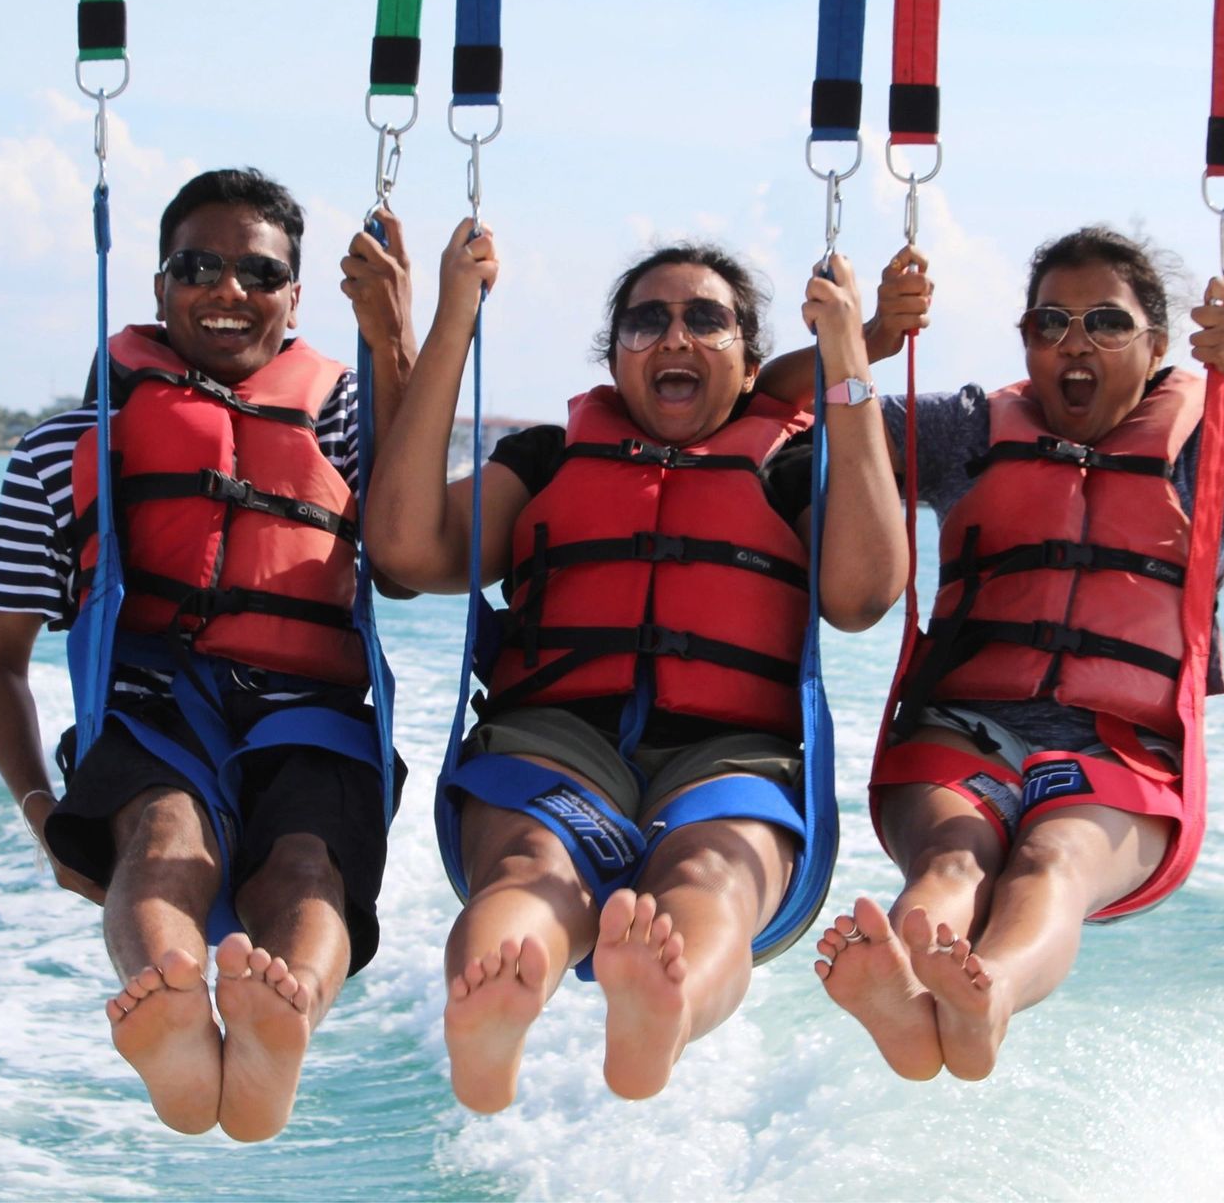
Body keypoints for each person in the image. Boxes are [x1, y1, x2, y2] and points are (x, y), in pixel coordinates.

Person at [795, 227, 1224, 1081]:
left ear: (1158, 345)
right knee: (955, 860)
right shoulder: (970, 432)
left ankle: (986, 992)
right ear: (1025, 340)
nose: (1075, 344)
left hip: (1122, 749)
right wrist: (863, 342)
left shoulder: (1207, 450)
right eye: (1049, 323)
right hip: (963, 727)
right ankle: (907, 986)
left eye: (1105, 321)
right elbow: (800, 427)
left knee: (1053, 860)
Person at [365, 219, 905, 1111]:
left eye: (707, 320)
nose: (676, 337)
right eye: (646, 323)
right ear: (614, 358)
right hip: (555, 734)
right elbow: (408, 549)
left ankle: (665, 1007)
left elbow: (864, 593)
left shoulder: (791, 465)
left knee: (712, 876)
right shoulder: (548, 460)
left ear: (747, 358)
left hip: (732, 753)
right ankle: (498, 1005)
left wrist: (848, 352)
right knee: (531, 865)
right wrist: (457, 315)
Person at [0, 167, 416, 1139]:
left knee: (305, 864)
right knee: (164, 831)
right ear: (160, 284)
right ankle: (169, 1003)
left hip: (313, 706)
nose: (228, 289)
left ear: (296, 296)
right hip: (149, 698)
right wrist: (43, 811)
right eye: (199, 265)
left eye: (260, 273)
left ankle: (281, 1014)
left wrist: (394, 335)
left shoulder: (340, 420)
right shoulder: (64, 448)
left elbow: (414, 544)